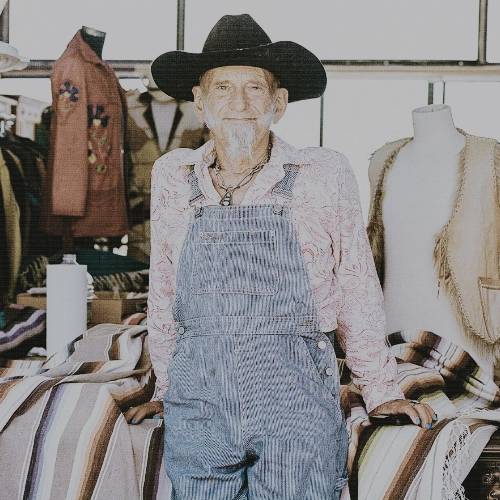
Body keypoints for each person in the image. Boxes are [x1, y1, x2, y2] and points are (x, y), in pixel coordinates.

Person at [125, 14, 436, 499]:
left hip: (294, 402)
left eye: (255, 87)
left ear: (279, 103)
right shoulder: (172, 175)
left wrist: (380, 391)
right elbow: (164, 289)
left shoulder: (322, 172)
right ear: (201, 103)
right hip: (199, 405)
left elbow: (355, 281)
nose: (240, 103)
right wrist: (166, 390)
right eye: (223, 88)